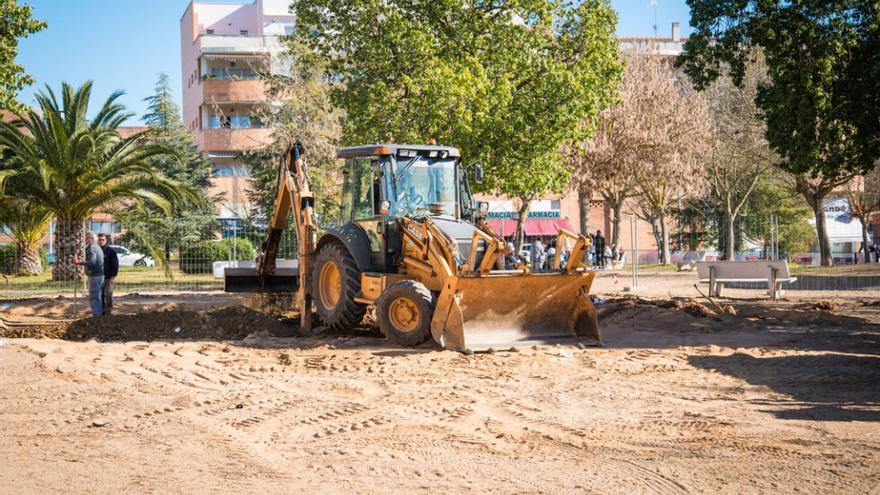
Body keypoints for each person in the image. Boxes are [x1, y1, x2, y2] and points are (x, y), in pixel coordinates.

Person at [73, 231, 104, 317]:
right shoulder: (96, 246)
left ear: (91, 238)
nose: (85, 240)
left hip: (95, 275)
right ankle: (98, 314)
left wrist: (79, 262)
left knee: (94, 296)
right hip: (98, 275)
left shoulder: (92, 248)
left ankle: (97, 315)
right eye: (85, 238)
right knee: (97, 295)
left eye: (87, 238)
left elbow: (92, 262)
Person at [97, 234, 118, 315]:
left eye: (102, 240)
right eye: (99, 240)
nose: (101, 241)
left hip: (108, 277)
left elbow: (115, 265)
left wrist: (113, 277)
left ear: (106, 240)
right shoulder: (96, 250)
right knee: (100, 295)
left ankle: (108, 311)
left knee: (108, 294)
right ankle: (101, 311)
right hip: (98, 277)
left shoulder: (110, 251)